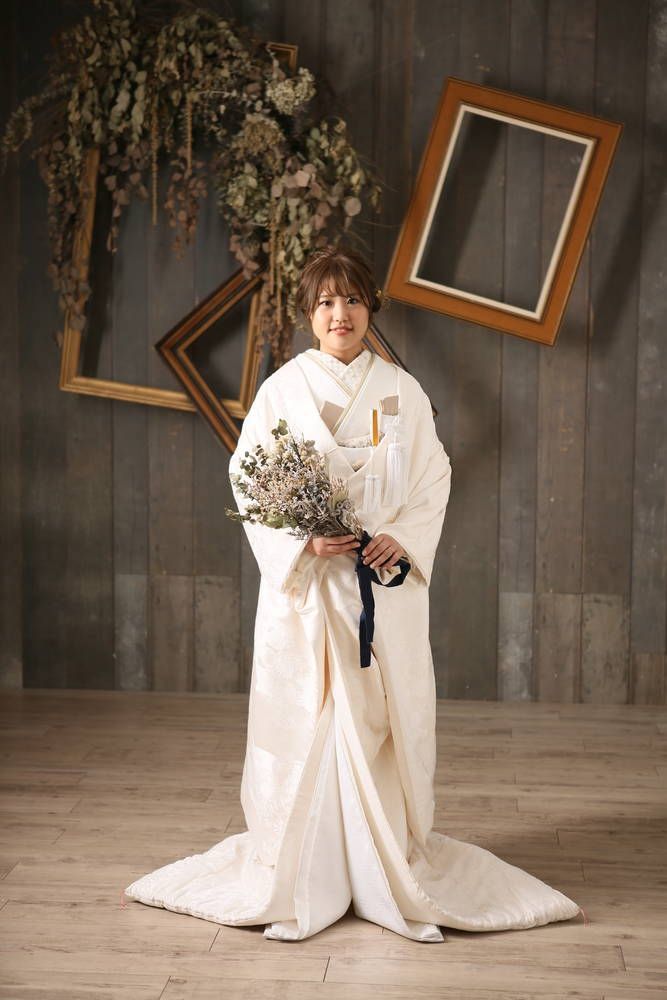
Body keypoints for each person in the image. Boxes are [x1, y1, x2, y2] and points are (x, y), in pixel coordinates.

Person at [124, 245, 583, 941]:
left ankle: (381, 862)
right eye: (325, 302)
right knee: (307, 719)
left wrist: (402, 535)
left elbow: (433, 477)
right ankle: (306, 865)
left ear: (371, 307)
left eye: (352, 300)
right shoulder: (282, 391)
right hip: (309, 593)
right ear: (308, 315)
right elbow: (248, 480)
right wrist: (301, 542)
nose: (339, 314)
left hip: (380, 589)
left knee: (380, 720)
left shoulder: (402, 391)